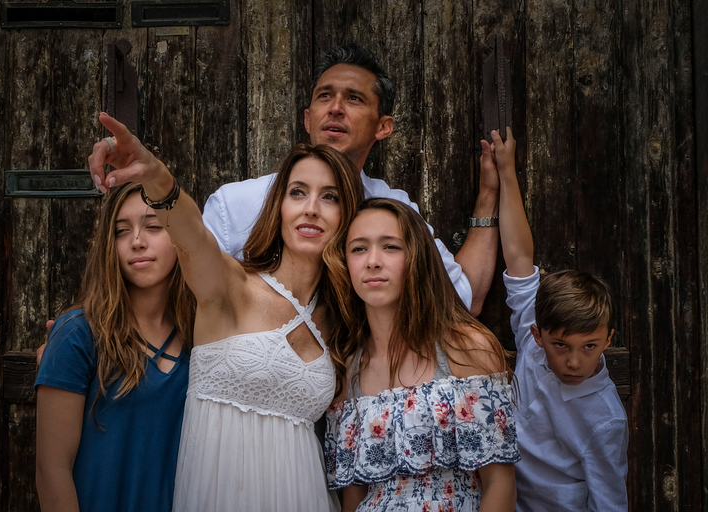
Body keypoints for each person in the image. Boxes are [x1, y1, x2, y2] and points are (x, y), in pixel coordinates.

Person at [88, 112, 365, 511]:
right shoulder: (231, 286)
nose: (311, 209)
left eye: (330, 196)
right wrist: (155, 176)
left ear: (346, 215)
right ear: (279, 206)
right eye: (298, 192)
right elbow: (191, 235)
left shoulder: (341, 318)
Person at [196, 44, 499, 316]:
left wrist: (489, 195)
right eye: (325, 96)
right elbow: (195, 308)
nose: (336, 108)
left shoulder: (394, 209)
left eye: (354, 99)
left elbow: (462, 299)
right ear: (307, 118)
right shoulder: (234, 205)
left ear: (383, 127)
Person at [325, 197, 519, 511]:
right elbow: (353, 499)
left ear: (417, 256)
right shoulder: (349, 369)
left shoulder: (465, 348)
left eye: (390, 246)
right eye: (358, 248)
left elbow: (501, 486)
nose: (373, 261)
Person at [35, 183, 197, 512]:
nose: (137, 241)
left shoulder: (201, 335)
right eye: (122, 232)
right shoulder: (78, 333)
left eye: (153, 226)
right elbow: (52, 471)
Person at [490, 127, 628, 511]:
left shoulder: (605, 419)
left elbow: (609, 500)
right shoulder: (533, 342)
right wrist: (506, 171)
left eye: (590, 347)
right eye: (560, 345)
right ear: (536, 334)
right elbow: (519, 257)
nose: (573, 361)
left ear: (607, 339)